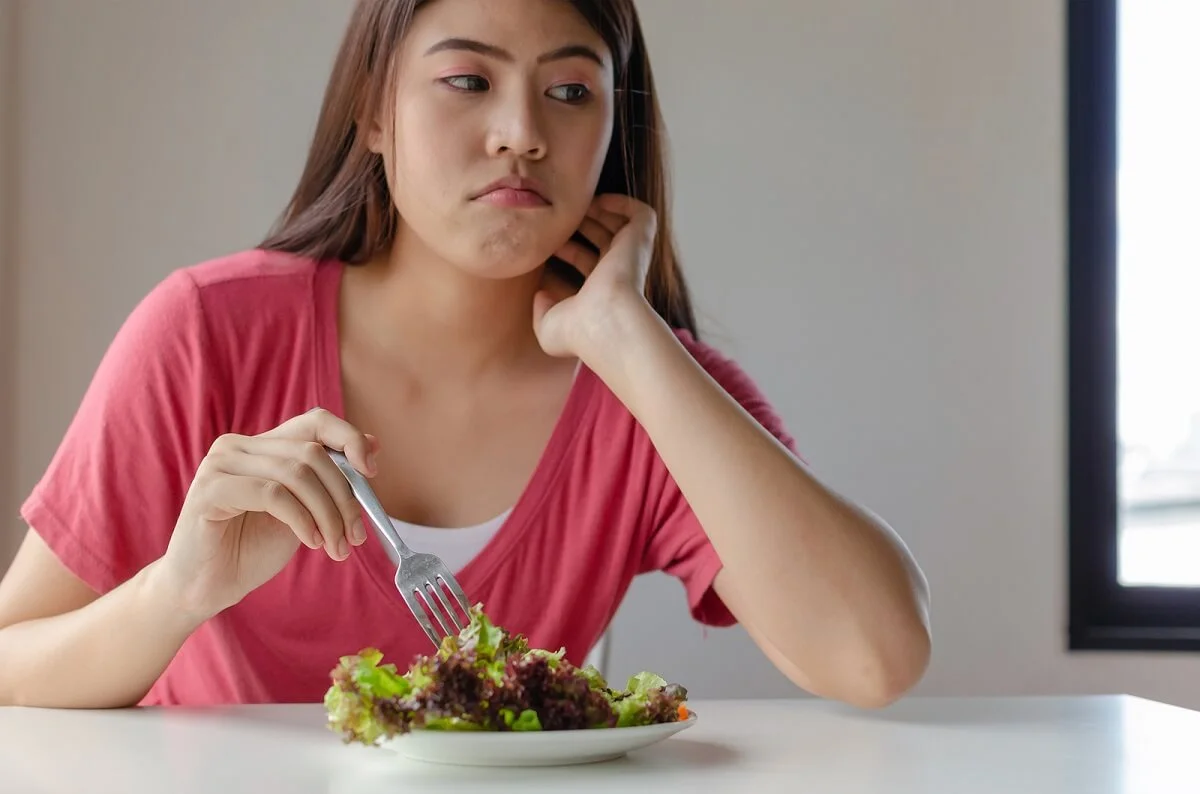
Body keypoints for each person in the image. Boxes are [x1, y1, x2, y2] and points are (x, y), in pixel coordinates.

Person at [0, 0, 931, 711]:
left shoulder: (652, 390)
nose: (522, 132)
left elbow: (875, 659)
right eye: (468, 82)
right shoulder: (206, 333)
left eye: (571, 92)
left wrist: (629, 340)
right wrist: (178, 593)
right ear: (374, 112)